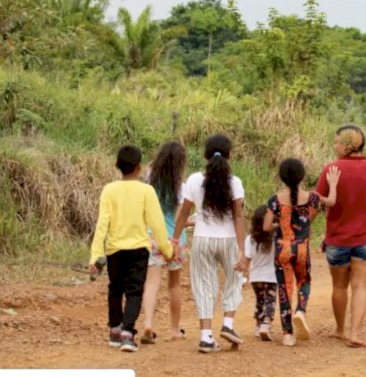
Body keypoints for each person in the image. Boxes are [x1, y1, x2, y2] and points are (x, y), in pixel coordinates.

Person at [316, 125, 366, 348]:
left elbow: (316, 203)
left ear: (347, 145)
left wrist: (303, 226)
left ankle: (340, 329)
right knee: (360, 286)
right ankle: (355, 332)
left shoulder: (331, 169)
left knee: (339, 287)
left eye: (336, 142)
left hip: (337, 239)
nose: (335, 146)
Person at [88, 144, 173, 353]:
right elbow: (158, 224)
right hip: (138, 250)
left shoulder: (109, 190)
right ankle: (128, 332)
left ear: (118, 166)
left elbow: (102, 225)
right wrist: (167, 250)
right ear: (139, 167)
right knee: (134, 291)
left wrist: (95, 257)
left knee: (115, 289)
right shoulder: (146, 191)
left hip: (114, 250)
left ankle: (115, 330)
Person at [173, 134, 248, 353]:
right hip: (228, 240)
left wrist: (175, 239)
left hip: (202, 239)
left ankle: (206, 336)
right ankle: (228, 325)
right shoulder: (234, 182)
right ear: (230, 155)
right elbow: (238, 217)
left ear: (205, 155)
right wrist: (242, 250)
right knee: (234, 280)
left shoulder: (195, 180)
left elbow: (184, 213)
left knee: (204, 285)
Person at [265, 158, 340, 347]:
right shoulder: (312, 197)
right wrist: (332, 184)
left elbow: (266, 226)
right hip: (301, 248)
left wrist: (281, 224)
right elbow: (331, 201)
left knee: (284, 289)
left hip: (282, 247)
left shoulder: (275, 200)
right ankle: (301, 311)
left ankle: (287, 335)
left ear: (281, 177)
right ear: (302, 176)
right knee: (304, 281)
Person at [141, 142, 191, 344]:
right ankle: (174, 329)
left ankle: (147, 323)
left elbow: (150, 166)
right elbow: (181, 218)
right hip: (174, 239)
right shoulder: (183, 187)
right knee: (174, 284)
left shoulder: (149, 177)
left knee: (151, 283)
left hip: (152, 237)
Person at [246, 205, 277, 342]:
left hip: (255, 276)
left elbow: (247, 259)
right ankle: (266, 324)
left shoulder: (250, 239)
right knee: (270, 301)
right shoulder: (274, 237)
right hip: (271, 276)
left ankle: (258, 326)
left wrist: (243, 275)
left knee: (260, 301)